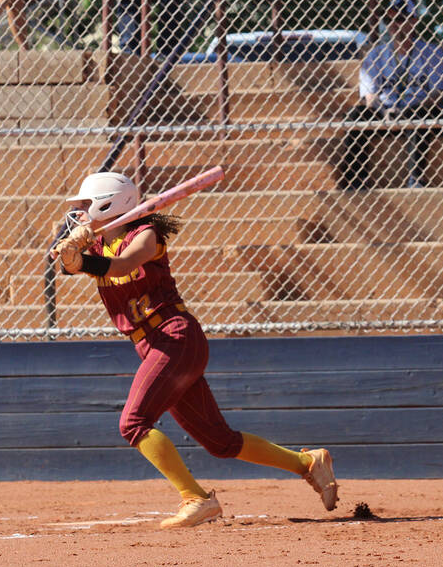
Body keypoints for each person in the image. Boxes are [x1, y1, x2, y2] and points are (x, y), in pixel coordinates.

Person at [51, 172, 338, 528]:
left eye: (85, 205)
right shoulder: (97, 243)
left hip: (175, 337)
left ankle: (195, 498)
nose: (79, 212)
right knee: (219, 441)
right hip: (150, 345)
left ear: (109, 204)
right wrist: (72, 250)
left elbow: (124, 265)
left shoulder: (146, 235)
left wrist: (81, 259)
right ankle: (307, 463)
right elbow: (66, 265)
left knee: (133, 423)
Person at [337, 0, 443, 190]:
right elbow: (368, 95)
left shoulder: (432, 52)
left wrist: (407, 110)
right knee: (356, 114)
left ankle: (416, 179)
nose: (395, 25)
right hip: (384, 110)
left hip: (418, 108)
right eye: (390, 20)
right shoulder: (376, 54)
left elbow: (438, 94)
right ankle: (356, 178)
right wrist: (385, 112)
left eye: (401, 19)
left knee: (417, 115)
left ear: (413, 21)